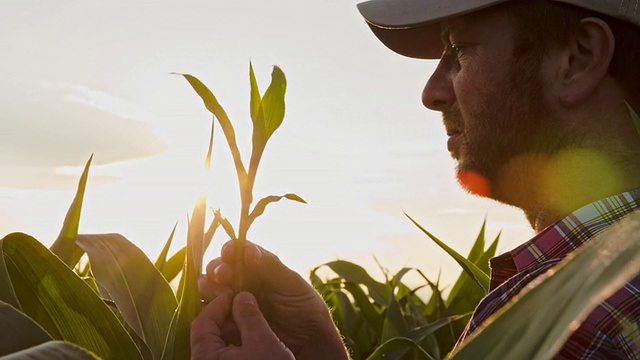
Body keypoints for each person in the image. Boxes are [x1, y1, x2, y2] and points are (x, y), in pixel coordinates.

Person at [191, 0, 640, 358]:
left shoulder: (570, 321)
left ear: (577, 59)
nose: (432, 93)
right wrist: (318, 350)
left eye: (460, 51)